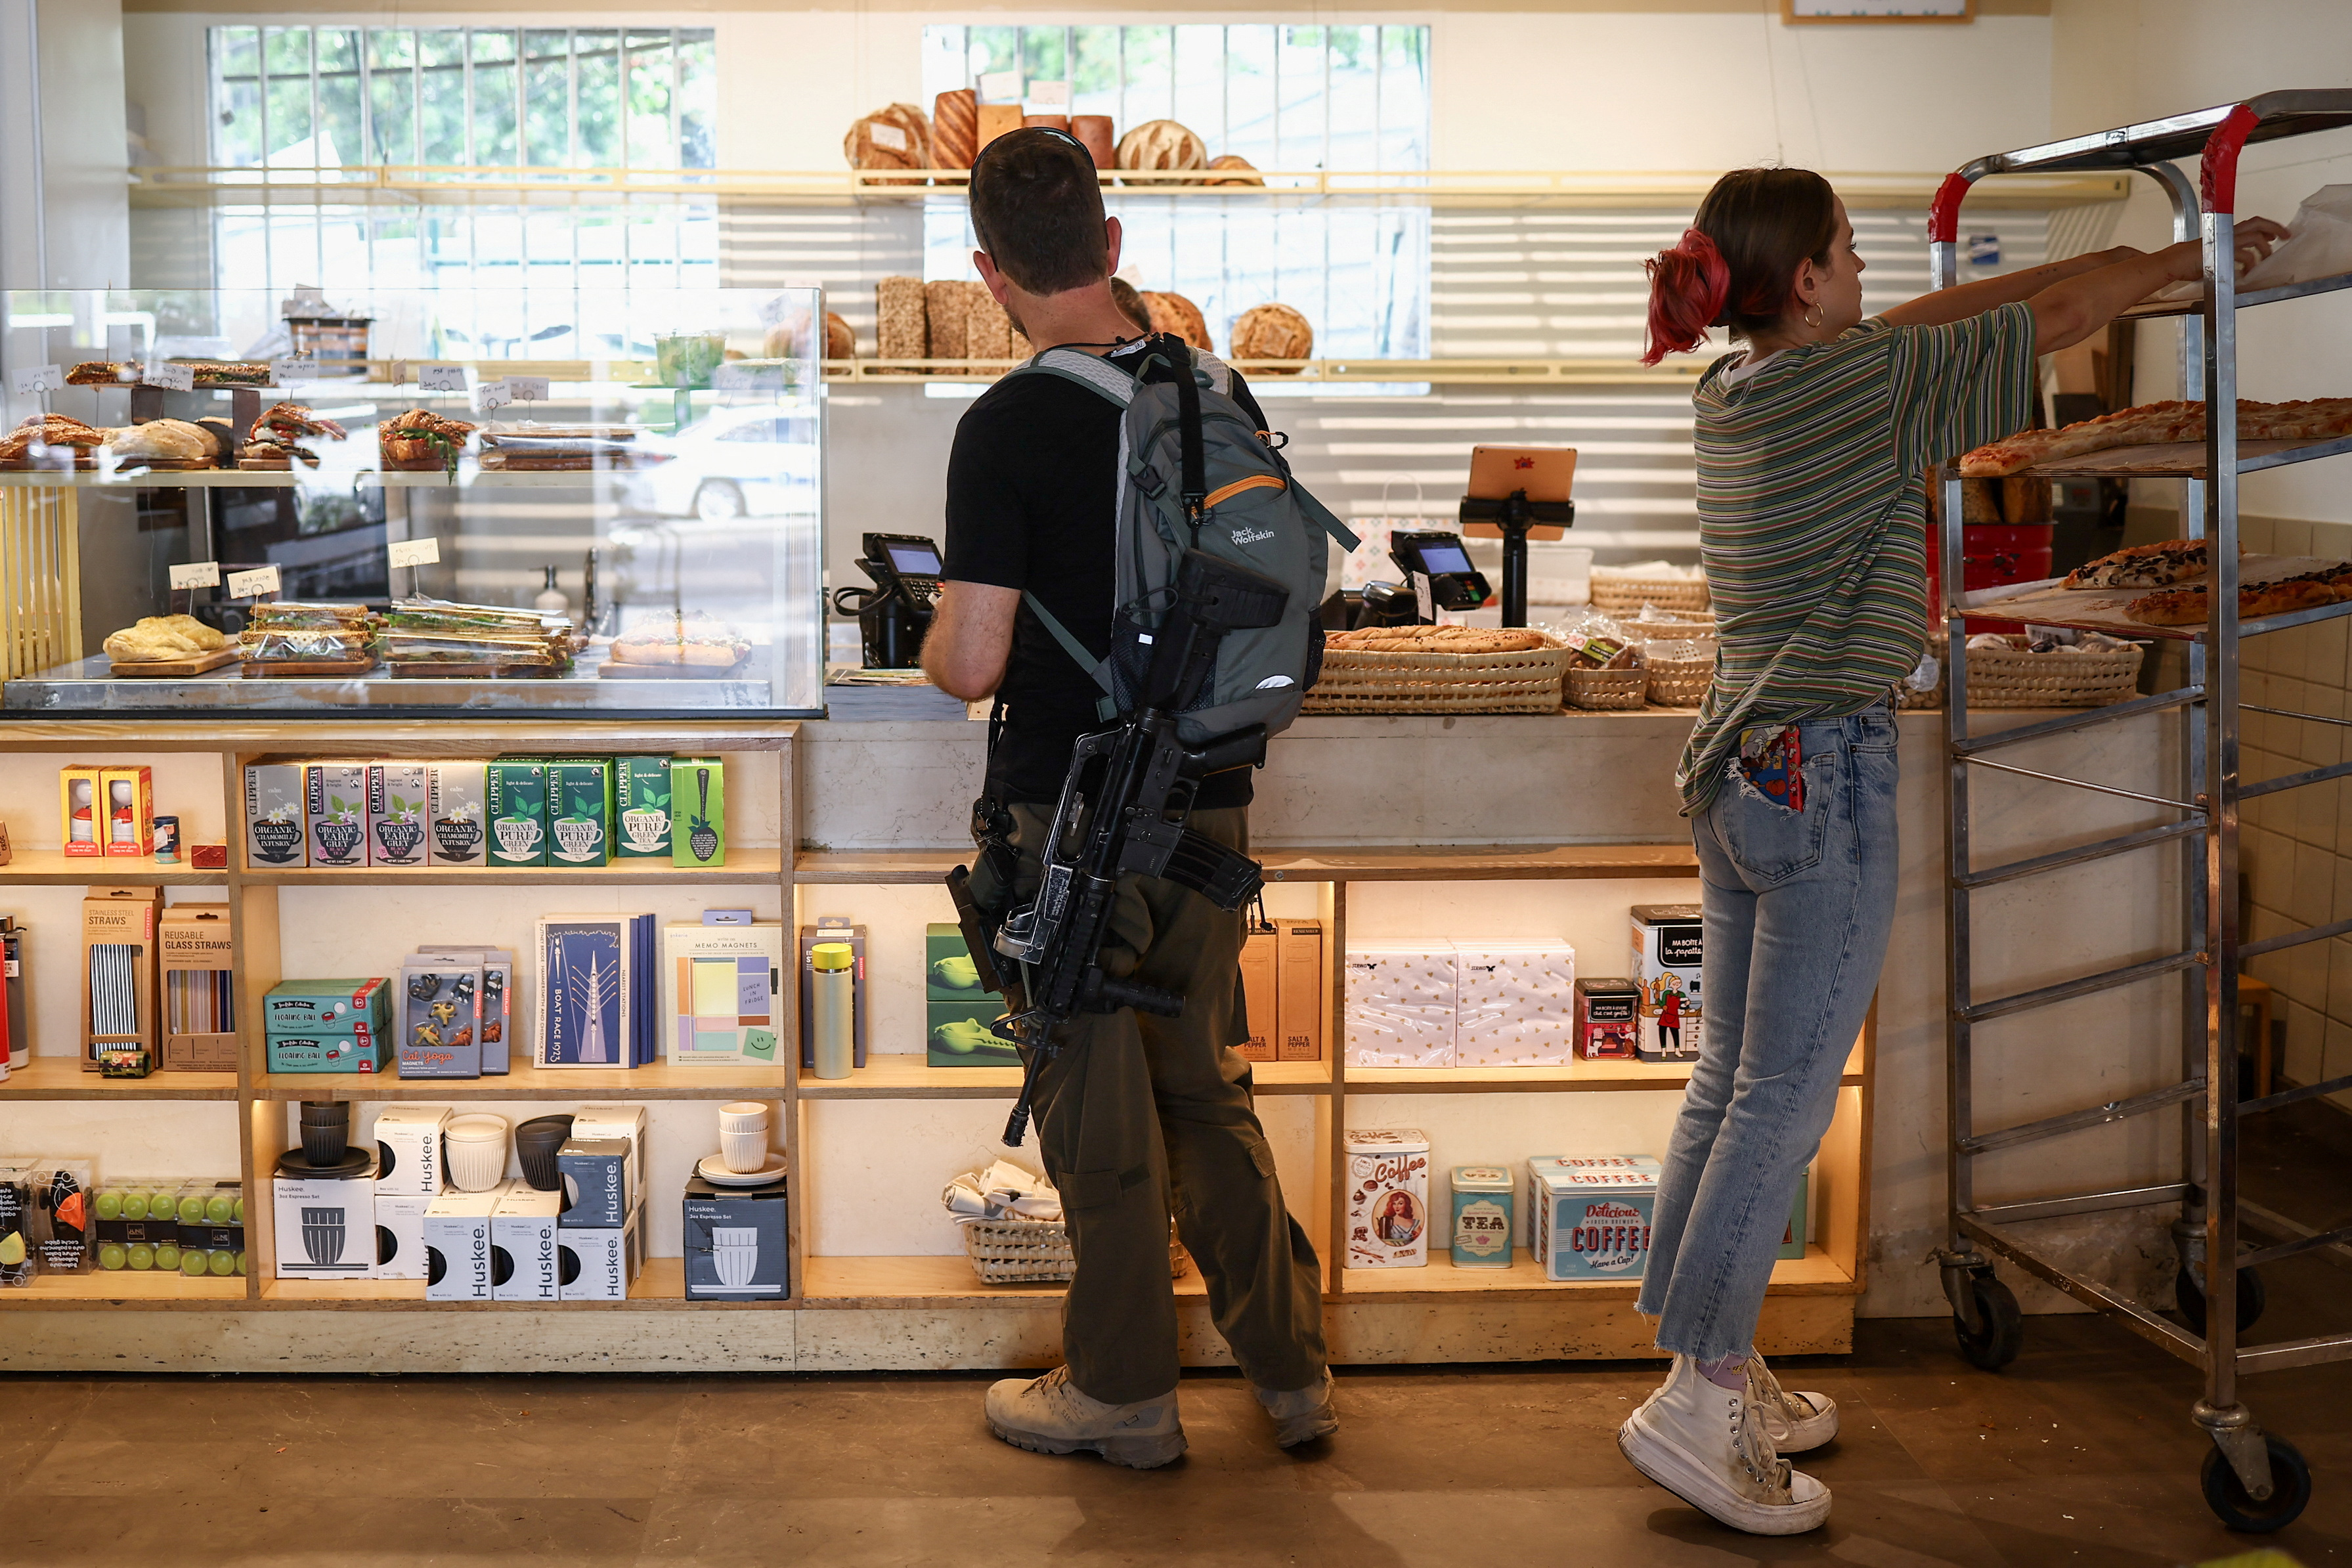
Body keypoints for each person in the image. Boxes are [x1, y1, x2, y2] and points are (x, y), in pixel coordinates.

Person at [1621, 166, 2286, 1537]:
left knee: (1730, 1086)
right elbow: (2047, 318)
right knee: (1780, 1103)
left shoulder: (1745, 390)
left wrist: (2111, 274)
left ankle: (1700, 1361)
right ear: (1805, 282)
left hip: (1748, 768)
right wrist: (2181, 259)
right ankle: (1704, 1397)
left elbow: (1957, 314)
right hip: (1826, 775)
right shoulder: (1858, 392)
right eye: (1849, 254)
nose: (1867, 271)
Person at [920, 127, 1333, 1471]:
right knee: (1208, 1098)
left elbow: (971, 662)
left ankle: (1123, 1397)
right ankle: (1290, 1377)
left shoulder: (1009, 423)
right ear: (1111, 244)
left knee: (1097, 1119)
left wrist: (930, 628)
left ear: (991, 273)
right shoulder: (1212, 386)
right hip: (1211, 810)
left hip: (1073, 824)